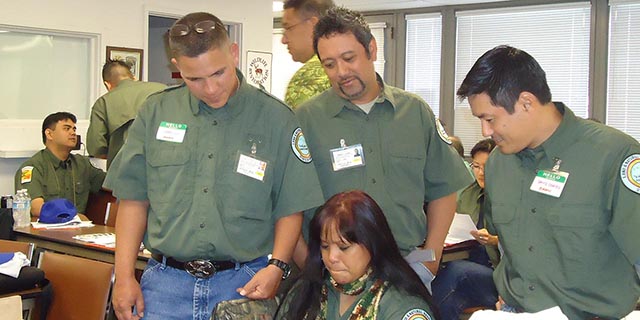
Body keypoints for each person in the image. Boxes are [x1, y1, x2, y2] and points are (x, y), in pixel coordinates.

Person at [103, 12, 324, 320]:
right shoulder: (155, 112)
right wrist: (124, 276)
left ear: (233, 54)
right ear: (177, 67)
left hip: (244, 284)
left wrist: (278, 266)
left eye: (219, 73)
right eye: (195, 79)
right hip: (166, 287)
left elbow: (290, 207)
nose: (210, 89)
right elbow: (133, 200)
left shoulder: (276, 119)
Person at [294, 6, 473, 290]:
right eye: (329, 64)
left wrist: (432, 258)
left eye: (349, 58)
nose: (341, 72)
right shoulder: (305, 120)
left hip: (407, 269)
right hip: (334, 275)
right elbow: (287, 205)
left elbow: (444, 189)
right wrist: (310, 268)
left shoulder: (414, 113)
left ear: (372, 49)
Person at [457, 45, 640, 319]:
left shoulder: (614, 156)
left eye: (490, 119)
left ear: (526, 103)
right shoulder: (498, 165)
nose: (485, 131)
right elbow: (508, 248)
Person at [277, 190, 437, 320]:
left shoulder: (402, 306)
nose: (331, 257)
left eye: (344, 247)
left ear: (372, 244)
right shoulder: (307, 290)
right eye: (325, 246)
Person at [431, 138, 499, 320]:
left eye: (487, 167)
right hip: (469, 260)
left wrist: (494, 240)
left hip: (499, 271)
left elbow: (524, 245)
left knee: (455, 272)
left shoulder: (512, 198)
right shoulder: (469, 192)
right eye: (476, 166)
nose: (481, 173)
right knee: (422, 267)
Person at [14, 112, 106, 217]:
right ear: (49, 134)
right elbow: (37, 208)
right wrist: (72, 216)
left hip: (80, 229)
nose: (73, 133)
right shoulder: (32, 167)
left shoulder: (82, 164)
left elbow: (109, 183)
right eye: (67, 129)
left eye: (74, 129)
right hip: (46, 230)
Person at [86, 59, 166, 168]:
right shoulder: (163, 90)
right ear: (134, 77)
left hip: (126, 171)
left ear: (107, 84)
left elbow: (96, 147)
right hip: (168, 166)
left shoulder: (104, 102)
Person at [281, 0, 333, 109]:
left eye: (288, 28)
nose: (283, 40)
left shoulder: (308, 78)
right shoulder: (350, 67)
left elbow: (296, 125)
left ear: (314, 25)